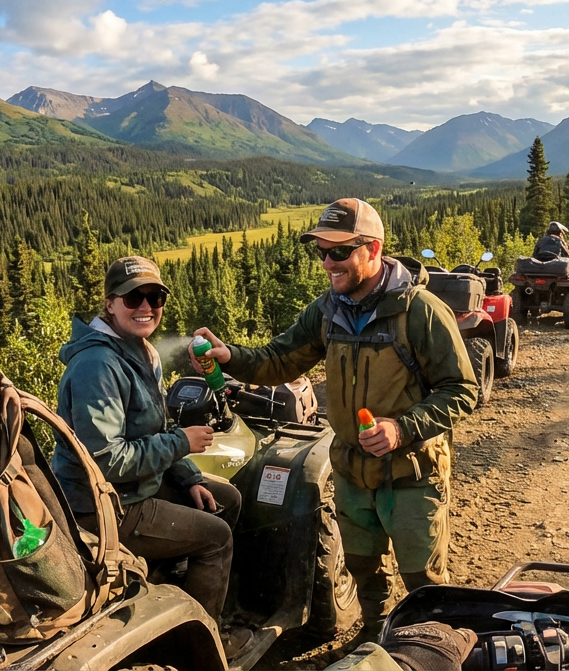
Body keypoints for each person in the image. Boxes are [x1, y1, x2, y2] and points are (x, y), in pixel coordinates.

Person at [190, 198, 477, 636]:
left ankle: (429, 648)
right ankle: (374, 635)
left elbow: (463, 390)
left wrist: (402, 429)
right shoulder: (328, 311)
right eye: (321, 251)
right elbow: (279, 360)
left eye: (339, 251)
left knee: (424, 584)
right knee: (364, 571)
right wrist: (231, 357)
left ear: (373, 250)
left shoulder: (419, 312)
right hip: (351, 472)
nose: (327, 263)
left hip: (412, 473)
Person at [51, 256, 249, 652]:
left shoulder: (139, 351)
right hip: (105, 506)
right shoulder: (97, 364)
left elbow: (151, 431)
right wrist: (181, 443)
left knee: (225, 499)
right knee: (217, 537)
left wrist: (188, 476)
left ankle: (175, 586)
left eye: (155, 297)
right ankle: (203, 644)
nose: (146, 307)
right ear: (110, 303)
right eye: (133, 297)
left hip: (135, 488)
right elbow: (106, 459)